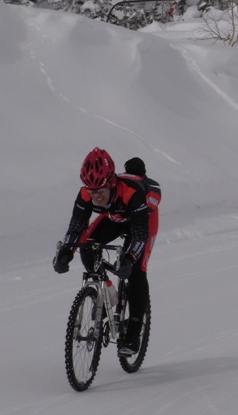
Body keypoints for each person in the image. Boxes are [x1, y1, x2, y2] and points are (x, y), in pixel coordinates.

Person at [53, 147, 161, 356]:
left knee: (137, 270)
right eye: (91, 191)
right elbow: (77, 226)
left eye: (100, 191)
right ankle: (109, 292)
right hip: (116, 217)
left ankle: (133, 333)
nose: (96, 196)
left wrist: (129, 258)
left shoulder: (132, 193)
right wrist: (66, 251)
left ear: (111, 183)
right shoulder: (87, 192)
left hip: (142, 219)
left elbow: (140, 234)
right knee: (88, 247)